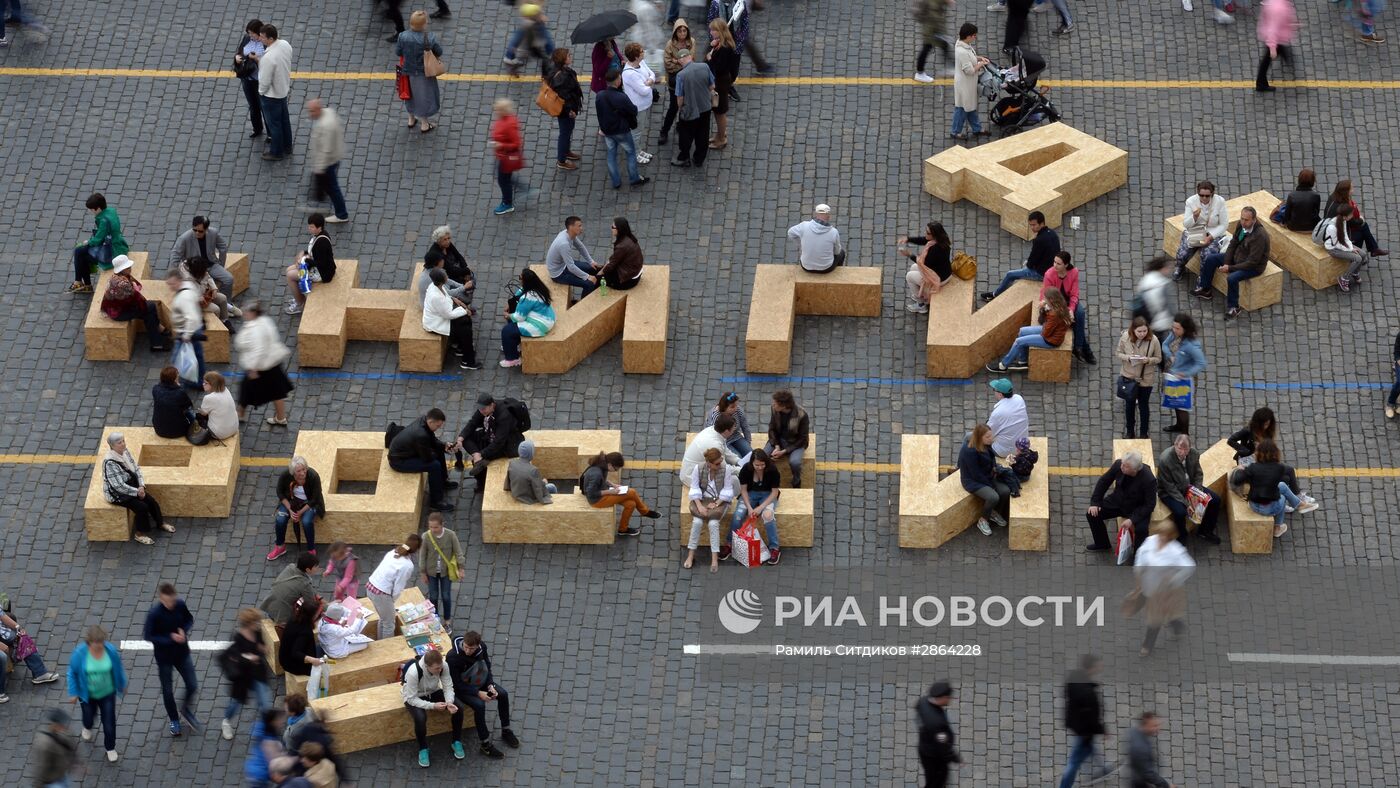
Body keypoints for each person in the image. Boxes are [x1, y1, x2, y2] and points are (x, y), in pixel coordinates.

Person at [447, 630, 520, 758]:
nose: (468, 651)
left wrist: (490, 685)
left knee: (502, 694)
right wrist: (477, 693)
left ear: (478, 646)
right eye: (466, 647)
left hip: (479, 681)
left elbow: (486, 666)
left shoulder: (482, 648)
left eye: (472, 648)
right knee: (479, 706)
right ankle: (485, 745)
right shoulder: (453, 657)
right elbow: (456, 684)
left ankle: (506, 730)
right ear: (463, 643)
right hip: (462, 689)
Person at [142, 583, 202, 737]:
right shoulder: (154, 614)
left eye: (173, 600)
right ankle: (174, 719)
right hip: (164, 658)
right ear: (161, 599)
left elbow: (189, 619)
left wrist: (184, 629)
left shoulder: (180, 605)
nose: (171, 604)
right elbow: (148, 636)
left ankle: (185, 709)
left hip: (182, 653)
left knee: (192, 685)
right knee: (167, 691)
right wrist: (170, 637)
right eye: (168, 601)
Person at [1193, 205, 1269, 319]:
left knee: (1232, 278)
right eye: (1242, 218)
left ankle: (1234, 307)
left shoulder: (1259, 236)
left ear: (1254, 220)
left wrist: (1230, 268)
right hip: (1239, 257)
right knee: (1211, 259)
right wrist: (1227, 262)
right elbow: (1233, 244)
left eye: (1246, 220)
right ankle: (1205, 289)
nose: (1243, 222)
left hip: (1253, 267)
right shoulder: (1241, 225)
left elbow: (1253, 262)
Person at [1231, 439, 1317, 538]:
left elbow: (1237, 480)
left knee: (1282, 486)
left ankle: (1299, 505)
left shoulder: (1252, 467)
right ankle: (1278, 527)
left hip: (1253, 504)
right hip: (1268, 509)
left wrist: (1240, 470)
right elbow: (1287, 472)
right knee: (1283, 496)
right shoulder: (1278, 468)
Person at [66, 625, 127, 763]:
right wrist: (74, 692)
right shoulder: (80, 654)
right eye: (96, 643)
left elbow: (118, 668)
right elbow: (72, 673)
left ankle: (110, 747)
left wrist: (121, 684)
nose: (100, 645)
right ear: (89, 642)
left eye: (101, 642)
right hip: (88, 695)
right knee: (88, 717)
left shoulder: (110, 651)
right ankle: (87, 726)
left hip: (107, 693)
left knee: (109, 722)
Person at [1135, 522, 1196, 654]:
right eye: (1160, 533)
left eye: (1165, 535)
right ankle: (1176, 625)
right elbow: (1141, 554)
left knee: (1154, 619)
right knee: (1168, 612)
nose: (1161, 537)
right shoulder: (1150, 541)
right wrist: (1139, 570)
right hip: (1149, 585)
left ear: (1170, 536)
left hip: (1166, 590)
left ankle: (1147, 646)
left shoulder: (1175, 550)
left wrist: (1174, 579)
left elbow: (1189, 566)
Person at [101, 432, 172, 545]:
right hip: (118, 494)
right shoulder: (110, 463)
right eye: (119, 443)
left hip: (132, 486)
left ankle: (160, 523)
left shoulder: (125, 452)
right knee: (141, 508)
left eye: (123, 441)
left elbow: (136, 468)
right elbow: (118, 486)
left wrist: (141, 485)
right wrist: (137, 492)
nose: (123, 444)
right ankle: (140, 534)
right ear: (112, 446)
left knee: (151, 501)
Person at [401, 649, 466, 768]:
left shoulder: (443, 666)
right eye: (437, 669)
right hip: (414, 696)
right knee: (420, 718)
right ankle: (423, 749)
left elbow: (447, 686)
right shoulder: (413, 673)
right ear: (427, 666)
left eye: (440, 667)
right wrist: (432, 706)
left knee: (459, 707)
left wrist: (449, 702)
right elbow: (411, 698)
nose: (440, 670)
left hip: (433, 691)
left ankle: (456, 741)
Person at [1084, 451, 1157, 554]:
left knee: (1141, 530)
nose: (1122, 467)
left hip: (1137, 508)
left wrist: (1132, 519)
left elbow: (1149, 505)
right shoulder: (1119, 464)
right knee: (1092, 514)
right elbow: (1104, 481)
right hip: (1118, 501)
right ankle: (1102, 543)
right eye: (1122, 464)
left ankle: (1138, 556)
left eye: (1126, 466)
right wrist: (1095, 502)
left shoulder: (1149, 479)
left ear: (1135, 470)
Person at [235, 301, 294, 426]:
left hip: (259, 366)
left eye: (246, 311)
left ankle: (240, 414)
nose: (244, 313)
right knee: (277, 391)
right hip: (271, 363)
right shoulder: (265, 321)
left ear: (253, 313)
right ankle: (280, 417)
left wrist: (252, 368)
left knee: (246, 391)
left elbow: (259, 349)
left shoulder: (255, 328)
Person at [1059, 655, 1114, 788]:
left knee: (1090, 748)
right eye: (1099, 665)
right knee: (1075, 761)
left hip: (1074, 721)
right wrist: (1103, 731)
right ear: (1092, 668)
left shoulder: (1073, 676)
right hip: (1084, 730)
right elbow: (1093, 718)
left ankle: (1103, 769)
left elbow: (1065, 692)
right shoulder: (1089, 694)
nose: (1101, 667)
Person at [1157, 434, 1222, 545]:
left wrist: (1197, 492)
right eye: (1179, 448)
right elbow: (1168, 486)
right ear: (1175, 445)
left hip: (1189, 487)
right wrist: (1186, 502)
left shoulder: (1194, 454)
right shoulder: (1165, 459)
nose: (1182, 452)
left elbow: (1198, 474)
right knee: (1180, 512)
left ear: (1189, 448)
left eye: (1185, 449)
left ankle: (1205, 531)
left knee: (1215, 500)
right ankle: (1182, 535)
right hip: (1170, 492)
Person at [986, 287, 1070, 373]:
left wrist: (1043, 310)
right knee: (1022, 331)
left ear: (1051, 300)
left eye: (1045, 298)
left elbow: (1045, 332)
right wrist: (1044, 309)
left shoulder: (1054, 314)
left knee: (1019, 342)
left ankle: (1003, 366)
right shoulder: (1058, 306)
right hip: (1049, 331)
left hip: (1050, 340)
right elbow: (1044, 324)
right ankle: (1023, 361)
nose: (1044, 300)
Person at [388, 408, 457, 512]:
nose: (438, 428)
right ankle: (436, 502)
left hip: (408, 452)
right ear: (431, 421)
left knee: (438, 451)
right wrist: (439, 450)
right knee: (434, 466)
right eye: (438, 426)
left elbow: (432, 439)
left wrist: (443, 446)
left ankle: (442, 481)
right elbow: (427, 458)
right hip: (399, 461)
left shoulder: (424, 421)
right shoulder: (421, 434)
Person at [220, 610, 272, 742]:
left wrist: (262, 649)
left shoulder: (257, 632)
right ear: (248, 624)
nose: (259, 624)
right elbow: (236, 657)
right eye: (256, 622)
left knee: (265, 704)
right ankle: (226, 722)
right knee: (235, 703)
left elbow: (261, 647)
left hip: (258, 674)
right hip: (243, 678)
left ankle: (266, 728)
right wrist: (249, 658)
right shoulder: (238, 638)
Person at [581, 451, 660, 537]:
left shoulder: (602, 464)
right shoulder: (596, 474)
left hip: (604, 491)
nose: (616, 471)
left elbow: (602, 480)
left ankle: (623, 530)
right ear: (610, 465)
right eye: (616, 469)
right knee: (632, 492)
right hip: (597, 500)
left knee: (631, 504)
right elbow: (591, 493)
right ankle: (645, 512)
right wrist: (610, 492)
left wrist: (612, 485)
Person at [983, 211, 1059, 300]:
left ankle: (994, 295)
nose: (1032, 228)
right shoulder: (1053, 233)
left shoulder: (1039, 240)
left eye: (1034, 225)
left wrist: (1028, 264)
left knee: (1010, 274)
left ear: (1041, 223)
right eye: (1030, 225)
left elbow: (1031, 262)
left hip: (1041, 274)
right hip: (1052, 269)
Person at [596, 68, 650, 191]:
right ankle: (634, 179)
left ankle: (616, 182)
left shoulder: (600, 96)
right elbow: (633, 110)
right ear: (617, 81)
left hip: (608, 131)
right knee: (630, 153)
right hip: (621, 131)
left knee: (611, 155)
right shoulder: (621, 97)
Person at [456, 394, 526, 488]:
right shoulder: (483, 409)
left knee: (479, 460)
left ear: (492, 405)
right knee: (466, 438)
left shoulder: (504, 416)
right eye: (480, 409)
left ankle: (481, 482)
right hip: (489, 434)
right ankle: (478, 460)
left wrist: (482, 454)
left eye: (484, 409)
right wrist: (461, 437)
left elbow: (499, 442)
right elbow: (473, 423)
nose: (481, 411)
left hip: (506, 444)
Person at [101, 255, 168, 352]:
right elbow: (138, 299)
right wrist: (135, 288)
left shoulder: (118, 277)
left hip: (118, 308)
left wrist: (134, 287)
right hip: (119, 313)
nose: (130, 268)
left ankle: (157, 340)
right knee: (149, 308)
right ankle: (157, 335)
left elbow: (136, 289)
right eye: (128, 267)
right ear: (123, 269)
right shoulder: (122, 284)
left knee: (149, 311)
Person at [1040, 251, 1097, 364]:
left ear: (1066, 265)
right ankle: (1083, 349)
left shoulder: (1074, 272)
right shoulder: (1049, 274)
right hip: (1053, 303)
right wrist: (1064, 312)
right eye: (1054, 262)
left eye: (1058, 263)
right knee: (1074, 322)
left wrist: (1071, 309)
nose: (1054, 265)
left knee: (1079, 314)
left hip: (1067, 301)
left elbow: (1074, 294)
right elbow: (1047, 295)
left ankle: (1079, 347)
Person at [728, 449, 783, 564]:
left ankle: (774, 548)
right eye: (757, 465)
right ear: (751, 463)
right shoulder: (745, 470)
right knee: (738, 515)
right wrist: (749, 507)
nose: (760, 467)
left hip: (768, 494)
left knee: (768, 516)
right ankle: (729, 543)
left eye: (762, 464)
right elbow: (743, 490)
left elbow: (774, 492)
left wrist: (760, 508)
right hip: (750, 493)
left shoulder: (772, 470)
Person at [68, 192, 128, 294]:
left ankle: (82, 283)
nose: (91, 211)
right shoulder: (111, 211)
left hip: (111, 252)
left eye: (92, 209)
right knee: (80, 253)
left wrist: (88, 242)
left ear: (98, 208)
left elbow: (98, 239)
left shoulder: (103, 220)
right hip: (119, 245)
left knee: (80, 254)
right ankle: (83, 284)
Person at [686, 448, 735, 572]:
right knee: (697, 523)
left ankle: (714, 558)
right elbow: (694, 487)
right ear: (709, 463)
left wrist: (717, 503)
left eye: (720, 462)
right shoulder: (699, 468)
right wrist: (700, 506)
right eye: (717, 463)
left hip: (720, 502)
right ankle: (690, 555)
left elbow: (728, 490)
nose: (719, 465)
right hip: (702, 501)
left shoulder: (726, 469)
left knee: (713, 524)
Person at [396, 11, 444, 133]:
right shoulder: (429, 37)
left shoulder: (402, 36)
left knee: (409, 94)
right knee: (424, 96)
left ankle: (411, 119)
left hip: (407, 71)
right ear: (423, 24)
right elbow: (439, 51)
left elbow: (398, 52)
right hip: (424, 72)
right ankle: (424, 124)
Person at [0, 607, 60, 704]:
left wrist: (18, 627)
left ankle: (40, 673)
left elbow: (2, 616)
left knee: (23, 638)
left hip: (2, 633)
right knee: (1, 656)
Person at [269, 457, 325, 561]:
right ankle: (280, 547)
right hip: (291, 502)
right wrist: (289, 509)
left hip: (309, 503)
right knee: (280, 519)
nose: (303, 473)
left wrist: (300, 513)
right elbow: (280, 493)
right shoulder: (285, 476)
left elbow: (315, 498)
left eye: (304, 469)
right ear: (293, 472)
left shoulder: (313, 476)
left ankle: (311, 550)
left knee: (307, 521)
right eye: (299, 471)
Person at [499, 268, 557, 368]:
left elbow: (519, 318)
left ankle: (513, 359)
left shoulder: (528, 297)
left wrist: (507, 315)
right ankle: (512, 345)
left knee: (507, 331)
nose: (519, 279)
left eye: (520, 278)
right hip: (547, 317)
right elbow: (520, 291)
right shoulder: (538, 287)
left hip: (540, 325)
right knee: (512, 324)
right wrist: (511, 303)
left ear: (525, 281)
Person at [424, 268, 480, 370]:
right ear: (442, 280)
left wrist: (455, 300)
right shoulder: (436, 297)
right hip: (436, 323)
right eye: (445, 274)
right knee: (465, 327)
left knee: (465, 321)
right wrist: (465, 310)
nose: (447, 275)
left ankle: (462, 349)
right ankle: (468, 361)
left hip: (441, 317)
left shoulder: (436, 286)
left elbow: (446, 295)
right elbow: (448, 315)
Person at [366, 537, 422, 640]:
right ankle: (386, 648)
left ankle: (380, 641)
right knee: (389, 624)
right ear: (417, 549)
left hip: (371, 586)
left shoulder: (393, 552)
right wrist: (391, 601)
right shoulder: (407, 565)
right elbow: (398, 587)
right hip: (382, 593)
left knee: (384, 619)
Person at [1172, 181, 1228, 281]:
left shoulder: (1220, 202)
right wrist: (1194, 217)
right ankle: (1179, 266)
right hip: (1196, 231)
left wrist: (1210, 237)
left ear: (1212, 194)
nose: (1204, 198)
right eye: (1201, 195)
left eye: (1207, 196)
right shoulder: (1191, 202)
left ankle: (1202, 278)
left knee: (1207, 256)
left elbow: (1224, 225)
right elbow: (1186, 224)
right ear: (1198, 194)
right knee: (1183, 253)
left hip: (1213, 233)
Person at [959, 424, 1009, 537]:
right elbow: (975, 474)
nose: (991, 439)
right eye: (988, 437)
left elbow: (992, 459)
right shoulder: (969, 451)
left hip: (988, 475)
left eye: (991, 436)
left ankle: (993, 512)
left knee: (1005, 491)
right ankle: (983, 520)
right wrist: (991, 484)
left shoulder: (986, 444)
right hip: (973, 480)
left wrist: (995, 469)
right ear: (979, 437)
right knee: (993, 496)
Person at [1117, 317, 1163, 439]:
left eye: (1144, 331)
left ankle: (1143, 433)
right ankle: (1130, 431)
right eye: (1139, 331)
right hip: (1129, 376)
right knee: (1129, 406)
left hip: (1145, 379)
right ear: (1133, 330)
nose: (1142, 334)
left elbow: (1158, 358)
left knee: (1143, 406)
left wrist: (1148, 360)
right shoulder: (1125, 337)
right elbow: (1118, 353)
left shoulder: (1154, 340)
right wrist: (1128, 358)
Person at [419, 513, 465, 632]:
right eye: (431, 527)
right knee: (433, 596)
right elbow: (422, 555)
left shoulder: (451, 535)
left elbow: (458, 552)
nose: (433, 530)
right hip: (431, 571)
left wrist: (461, 568)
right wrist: (423, 572)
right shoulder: (426, 536)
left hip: (446, 571)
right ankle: (435, 619)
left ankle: (447, 621)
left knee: (446, 596)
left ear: (442, 525)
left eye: (436, 527)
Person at [306, 99, 349, 223]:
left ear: (318, 110)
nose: (310, 114)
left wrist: (319, 168)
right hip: (335, 156)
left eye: (311, 111)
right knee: (330, 185)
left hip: (328, 161)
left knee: (332, 187)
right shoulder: (328, 113)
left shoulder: (326, 126)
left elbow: (326, 150)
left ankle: (341, 214)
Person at [255, 24, 294, 161]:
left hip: (271, 96)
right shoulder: (285, 45)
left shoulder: (268, 58)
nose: (260, 39)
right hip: (283, 90)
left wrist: (260, 92)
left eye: (262, 37)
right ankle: (287, 146)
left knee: (274, 124)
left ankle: (276, 152)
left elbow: (264, 81)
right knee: (284, 120)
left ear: (270, 38)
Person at [671, 48, 715, 168]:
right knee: (703, 134)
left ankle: (684, 158)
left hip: (689, 110)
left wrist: (680, 109)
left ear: (680, 61)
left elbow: (680, 97)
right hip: (705, 107)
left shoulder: (681, 75)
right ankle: (699, 159)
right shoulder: (704, 67)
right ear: (691, 57)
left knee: (685, 135)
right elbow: (712, 86)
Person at [284, 214, 336, 315]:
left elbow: (321, 264)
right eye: (309, 226)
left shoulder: (322, 243)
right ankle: (299, 297)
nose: (309, 229)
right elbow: (313, 252)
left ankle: (300, 304)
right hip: (318, 267)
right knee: (289, 269)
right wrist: (304, 254)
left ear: (319, 227)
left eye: (312, 227)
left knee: (290, 276)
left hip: (322, 274)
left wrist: (304, 261)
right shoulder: (320, 235)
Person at [168, 216, 234, 297]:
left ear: (206, 230)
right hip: (194, 270)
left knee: (229, 279)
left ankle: (227, 302)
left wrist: (221, 265)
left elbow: (223, 247)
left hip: (212, 265)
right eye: (194, 230)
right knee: (197, 290)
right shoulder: (184, 238)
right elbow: (175, 255)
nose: (197, 233)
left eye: (200, 231)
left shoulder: (213, 233)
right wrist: (173, 275)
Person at [1162, 314, 1206, 435]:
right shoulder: (1174, 334)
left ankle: (1184, 434)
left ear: (1185, 329)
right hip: (1172, 374)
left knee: (1182, 407)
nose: (1174, 330)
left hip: (1184, 379)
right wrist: (1169, 355)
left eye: (1177, 328)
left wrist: (1185, 373)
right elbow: (1165, 345)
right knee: (1175, 403)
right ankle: (1178, 425)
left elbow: (1201, 363)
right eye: (1173, 327)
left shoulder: (1192, 346)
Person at [1323, 179, 1388, 258]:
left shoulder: (1333, 197)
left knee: (1364, 226)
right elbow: (1352, 222)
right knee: (1360, 233)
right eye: (1351, 188)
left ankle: (1373, 249)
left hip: (1332, 225)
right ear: (1346, 191)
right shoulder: (1343, 206)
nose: (1353, 190)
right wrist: (1360, 219)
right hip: (1338, 232)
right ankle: (1359, 255)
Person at [899, 221, 953, 313]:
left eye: (928, 233)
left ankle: (921, 304)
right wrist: (908, 239)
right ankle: (922, 294)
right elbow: (923, 240)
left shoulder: (935, 250)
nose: (925, 234)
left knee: (909, 276)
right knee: (913, 267)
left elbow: (924, 264)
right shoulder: (941, 240)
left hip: (938, 278)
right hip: (945, 273)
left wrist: (909, 254)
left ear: (934, 235)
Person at [915, 681, 961, 788]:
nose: (949, 699)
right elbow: (943, 745)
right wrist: (955, 758)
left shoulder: (923, 701)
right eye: (948, 697)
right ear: (942, 698)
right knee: (936, 781)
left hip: (924, 747)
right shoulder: (937, 723)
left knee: (932, 777)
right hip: (934, 756)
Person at [545, 216, 603, 298]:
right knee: (589, 284)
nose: (581, 228)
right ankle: (583, 305)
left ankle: (594, 292)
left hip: (564, 265)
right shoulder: (563, 244)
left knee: (592, 268)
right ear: (571, 227)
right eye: (579, 226)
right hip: (559, 274)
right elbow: (571, 267)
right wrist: (587, 277)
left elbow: (580, 247)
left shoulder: (568, 233)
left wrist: (591, 261)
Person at [950, 23, 990, 140]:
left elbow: (970, 58)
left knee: (970, 107)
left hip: (967, 84)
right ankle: (955, 131)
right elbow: (969, 70)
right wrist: (981, 64)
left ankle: (977, 129)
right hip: (965, 84)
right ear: (968, 36)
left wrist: (979, 58)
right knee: (962, 108)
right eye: (974, 35)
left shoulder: (963, 45)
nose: (975, 37)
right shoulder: (962, 52)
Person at [658, 19, 694, 145]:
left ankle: (680, 125)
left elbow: (691, 59)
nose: (682, 33)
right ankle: (664, 131)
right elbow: (668, 64)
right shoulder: (670, 45)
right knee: (673, 107)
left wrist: (676, 60)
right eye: (680, 31)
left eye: (684, 31)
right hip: (674, 81)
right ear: (675, 32)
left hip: (687, 80)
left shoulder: (691, 42)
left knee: (685, 105)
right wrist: (680, 62)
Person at [546, 49, 584, 171]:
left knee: (567, 130)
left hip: (566, 108)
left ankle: (566, 151)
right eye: (568, 55)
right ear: (563, 59)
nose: (570, 56)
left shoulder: (559, 71)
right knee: (565, 132)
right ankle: (561, 160)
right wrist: (570, 111)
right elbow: (564, 97)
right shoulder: (562, 77)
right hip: (565, 110)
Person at [622, 42, 659, 161]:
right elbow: (643, 91)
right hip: (638, 107)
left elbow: (652, 74)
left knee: (640, 130)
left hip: (645, 104)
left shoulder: (641, 62)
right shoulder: (629, 74)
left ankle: (638, 150)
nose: (644, 52)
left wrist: (649, 81)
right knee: (636, 132)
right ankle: (635, 154)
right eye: (642, 51)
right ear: (636, 56)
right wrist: (650, 82)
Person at [1323, 203, 1373, 293]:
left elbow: (1345, 236)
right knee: (1357, 258)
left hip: (1343, 245)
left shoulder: (1343, 221)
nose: (1352, 215)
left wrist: (1350, 247)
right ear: (1346, 216)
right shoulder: (1332, 227)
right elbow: (1336, 244)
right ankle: (1344, 279)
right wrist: (1350, 249)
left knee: (1363, 254)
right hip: (1333, 249)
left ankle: (1354, 272)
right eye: (1351, 214)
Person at [260, 552, 321, 625]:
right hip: (282, 615)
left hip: (269, 604)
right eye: (316, 566)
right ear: (308, 569)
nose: (318, 568)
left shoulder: (290, 567)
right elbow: (311, 603)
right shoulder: (305, 584)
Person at [705, 21, 739, 150]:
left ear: (720, 31)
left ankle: (721, 138)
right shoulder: (720, 44)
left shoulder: (725, 48)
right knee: (717, 109)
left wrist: (710, 58)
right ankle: (719, 134)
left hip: (721, 83)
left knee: (720, 111)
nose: (711, 32)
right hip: (719, 81)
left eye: (713, 30)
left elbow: (719, 67)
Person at [765, 391, 810, 487]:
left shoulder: (801, 415)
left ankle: (796, 481)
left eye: (775, 403)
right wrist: (776, 446)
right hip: (779, 440)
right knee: (763, 456)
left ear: (784, 406)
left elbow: (802, 438)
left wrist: (784, 451)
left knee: (795, 462)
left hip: (795, 442)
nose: (773, 405)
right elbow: (772, 428)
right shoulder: (775, 410)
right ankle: (766, 480)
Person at [489, 98, 525, 216]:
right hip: (501, 155)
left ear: (503, 111)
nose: (495, 109)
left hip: (505, 157)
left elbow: (516, 143)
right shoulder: (503, 119)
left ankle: (507, 203)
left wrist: (501, 145)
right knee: (504, 178)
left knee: (503, 181)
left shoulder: (509, 124)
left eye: (498, 108)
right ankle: (521, 187)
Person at [422, 225, 475, 304]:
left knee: (471, 277)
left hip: (455, 271)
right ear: (439, 241)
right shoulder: (437, 255)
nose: (448, 241)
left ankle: (466, 293)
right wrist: (466, 272)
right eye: (445, 239)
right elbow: (450, 271)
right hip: (448, 274)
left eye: (448, 238)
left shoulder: (447, 245)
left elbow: (458, 255)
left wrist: (466, 268)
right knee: (466, 290)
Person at [183, 256, 242, 325]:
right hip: (195, 302)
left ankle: (225, 320)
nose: (205, 273)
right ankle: (219, 325)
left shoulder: (198, 268)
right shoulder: (187, 281)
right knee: (216, 309)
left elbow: (208, 277)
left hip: (204, 293)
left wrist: (214, 288)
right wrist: (198, 298)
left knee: (223, 298)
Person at [788, 204, 846, 273]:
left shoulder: (804, 226)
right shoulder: (833, 232)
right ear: (828, 216)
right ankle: (838, 271)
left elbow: (790, 233)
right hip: (826, 268)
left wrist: (800, 244)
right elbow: (837, 252)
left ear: (816, 214)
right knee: (842, 252)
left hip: (806, 266)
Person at [234, 20, 266, 138]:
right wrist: (238, 58)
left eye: (253, 33)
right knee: (253, 106)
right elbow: (241, 51)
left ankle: (271, 134)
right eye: (249, 33)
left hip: (260, 80)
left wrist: (257, 59)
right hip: (247, 78)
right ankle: (257, 128)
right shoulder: (247, 39)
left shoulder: (265, 43)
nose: (250, 35)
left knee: (264, 107)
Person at [1134, 255, 1175, 349]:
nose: (1169, 270)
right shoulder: (1163, 284)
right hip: (1158, 321)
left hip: (1144, 317)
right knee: (1159, 343)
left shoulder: (1147, 278)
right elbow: (1168, 307)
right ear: (1162, 268)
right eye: (1168, 267)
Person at [1255, 0, 1297, 92]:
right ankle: (1261, 84)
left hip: (1278, 37)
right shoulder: (1278, 9)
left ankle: (1288, 61)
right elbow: (1272, 29)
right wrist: (1272, 48)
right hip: (1276, 39)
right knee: (1267, 60)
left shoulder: (1278, 3)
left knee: (1268, 59)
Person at [29, 708, 77, 787]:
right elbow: (41, 767)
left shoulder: (63, 733)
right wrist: (37, 785)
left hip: (62, 773)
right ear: (55, 725)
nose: (65, 727)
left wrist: (77, 763)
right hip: (52, 781)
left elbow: (71, 747)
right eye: (62, 725)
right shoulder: (43, 744)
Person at [278, 599, 324, 680]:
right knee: (323, 652)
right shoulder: (305, 631)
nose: (319, 615)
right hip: (293, 665)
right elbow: (295, 653)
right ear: (312, 615)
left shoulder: (294, 619)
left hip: (284, 657)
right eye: (318, 614)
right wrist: (313, 660)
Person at [502, 3, 555, 73]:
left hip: (530, 47)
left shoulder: (531, 22)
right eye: (538, 14)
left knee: (527, 59)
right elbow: (531, 38)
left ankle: (513, 68)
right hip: (532, 47)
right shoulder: (530, 25)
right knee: (544, 58)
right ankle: (546, 74)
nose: (540, 15)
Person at [1127, 712, 1174, 788]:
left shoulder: (1135, 731)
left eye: (1159, 725)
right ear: (1145, 725)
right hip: (1141, 782)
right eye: (1154, 726)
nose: (1158, 728)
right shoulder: (1140, 748)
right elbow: (1148, 774)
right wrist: (1166, 785)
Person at [985, 378, 1029, 457]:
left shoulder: (998, 413)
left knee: (971, 438)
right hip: (1021, 446)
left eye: (994, 390)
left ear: (1000, 394)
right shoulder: (1019, 399)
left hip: (1004, 451)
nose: (993, 391)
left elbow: (988, 433)